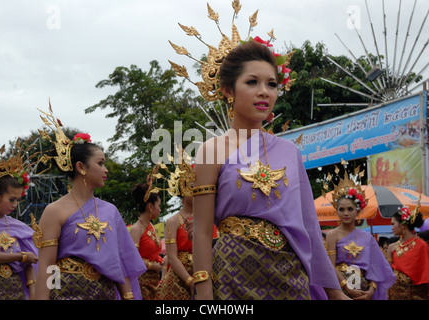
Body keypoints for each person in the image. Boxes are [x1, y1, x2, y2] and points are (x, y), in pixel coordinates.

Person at [169, 2, 345, 300]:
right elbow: (200, 230)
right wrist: (204, 293)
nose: (265, 91)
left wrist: (336, 293)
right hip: (232, 276)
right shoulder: (212, 150)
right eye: (252, 82)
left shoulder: (289, 151)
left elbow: (309, 227)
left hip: (290, 277)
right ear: (227, 90)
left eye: (272, 84)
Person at [34, 107, 146, 300]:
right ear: (81, 167)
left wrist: (128, 296)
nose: (106, 170)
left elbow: (121, 261)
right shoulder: (54, 211)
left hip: (106, 294)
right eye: (100, 163)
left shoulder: (110, 211)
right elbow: (47, 266)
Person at [0, 143, 38, 299]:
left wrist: (32, 291)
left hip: (15, 292)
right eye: (11, 199)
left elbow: (29, 263)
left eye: (18, 200)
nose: (15, 205)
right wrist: (20, 256)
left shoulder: (18, 227)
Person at [325, 177, 396, 300]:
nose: (345, 213)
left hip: (364, 289)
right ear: (336, 211)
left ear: (358, 211)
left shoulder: (367, 238)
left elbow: (377, 267)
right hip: (341, 290)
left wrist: (371, 290)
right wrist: (347, 288)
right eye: (341, 209)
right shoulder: (332, 235)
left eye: (350, 209)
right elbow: (330, 266)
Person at [387, 203, 429, 300]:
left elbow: (426, 273)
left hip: (418, 294)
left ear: (403, 224)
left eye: (393, 224)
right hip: (396, 294)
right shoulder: (391, 247)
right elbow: (388, 275)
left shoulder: (422, 245)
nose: (392, 227)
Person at [156, 195, 194, 299]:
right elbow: (171, 257)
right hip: (178, 281)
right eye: (191, 187)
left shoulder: (208, 218)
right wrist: (190, 282)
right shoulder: (172, 221)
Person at [130, 182, 164, 300]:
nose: (160, 209)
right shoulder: (136, 229)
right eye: (158, 206)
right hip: (141, 282)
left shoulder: (151, 227)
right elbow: (133, 258)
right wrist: (151, 266)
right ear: (150, 206)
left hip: (154, 281)